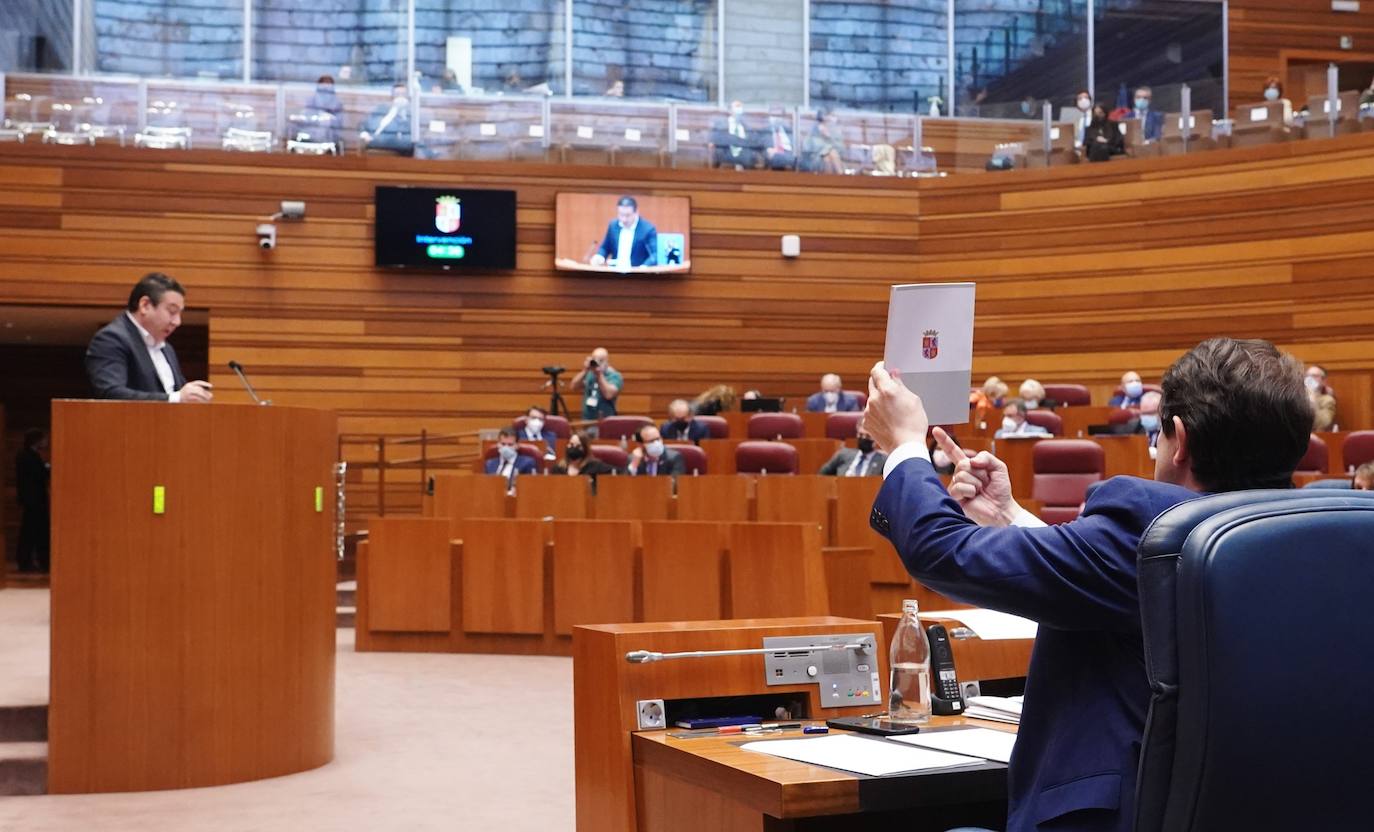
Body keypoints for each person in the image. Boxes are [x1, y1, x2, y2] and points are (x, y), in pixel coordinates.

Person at [863, 336, 1313, 832]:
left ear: (1178, 439)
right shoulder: (1311, 543)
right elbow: (1115, 585)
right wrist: (1009, 517)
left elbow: (943, 552)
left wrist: (904, 447)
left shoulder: (1153, 531)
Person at [86, 273, 213, 402]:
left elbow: (178, 393)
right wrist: (175, 398)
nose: (177, 322)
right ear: (145, 305)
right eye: (172, 312)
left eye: (179, 314)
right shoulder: (111, 339)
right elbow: (111, 393)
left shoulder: (167, 349)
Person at [15, 428, 50, 573]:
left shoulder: (26, 455)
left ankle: (30, 561)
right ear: (37, 441)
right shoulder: (29, 456)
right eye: (43, 439)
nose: (46, 441)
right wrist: (48, 467)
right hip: (34, 501)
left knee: (31, 532)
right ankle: (34, 562)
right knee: (34, 532)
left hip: (31, 500)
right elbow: (39, 475)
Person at [591, 196, 658, 269]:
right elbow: (605, 247)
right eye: (621, 215)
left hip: (637, 275)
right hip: (615, 273)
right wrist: (599, 256)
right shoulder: (613, 226)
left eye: (627, 215)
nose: (624, 219)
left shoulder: (647, 229)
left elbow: (654, 255)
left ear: (636, 212)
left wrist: (643, 268)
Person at [359, 83, 414, 156]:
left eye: (403, 94)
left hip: (400, 151)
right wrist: (364, 134)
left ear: (408, 98)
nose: (400, 97)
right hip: (376, 146)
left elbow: (407, 142)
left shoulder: (412, 114)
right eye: (397, 94)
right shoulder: (381, 109)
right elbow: (365, 125)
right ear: (392, 97)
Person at [569, 347, 622, 421]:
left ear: (607, 362)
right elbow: (573, 387)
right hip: (587, 420)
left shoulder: (614, 376)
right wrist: (584, 370)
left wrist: (599, 375)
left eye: (600, 360)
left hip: (606, 420)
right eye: (594, 359)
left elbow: (608, 395)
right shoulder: (589, 374)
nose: (597, 363)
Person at [818, 422, 886, 476]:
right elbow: (822, 474)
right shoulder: (843, 454)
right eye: (861, 435)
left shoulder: (882, 460)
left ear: (875, 438)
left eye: (867, 436)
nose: (863, 438)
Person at [710, 100, 759, 170]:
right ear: (730, 110)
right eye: (736, 107)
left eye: (740, 107)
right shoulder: (720, 124)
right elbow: (716, 140)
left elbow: (753, 141)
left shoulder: (746, 125)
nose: (738, 109)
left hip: (744, 153)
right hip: (726, 151)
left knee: (750, 156)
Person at [552, 431, 621, 479]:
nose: (573, 448)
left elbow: (618, 472)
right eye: (571, 444)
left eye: (578, 446)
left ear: (585, 448)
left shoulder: (595, 467)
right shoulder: (559, 468)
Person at [303, 75, 343, 150]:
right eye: (324, 85)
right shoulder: (311, 100)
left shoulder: (338, 103)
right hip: (312, 135)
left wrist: (329, 119)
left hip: (331, 137)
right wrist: (319, 116)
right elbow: (306, 117)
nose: (326, 88)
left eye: (329, 86)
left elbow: (339, 123)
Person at [801, 109, 845, 174]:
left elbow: (841, 149)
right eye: (829, 116)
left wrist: (829, 138)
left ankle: (837, 177)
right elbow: (808, 148)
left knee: (829, 155)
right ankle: (840, 176)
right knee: (828, 156)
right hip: (816, 158)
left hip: (832, 157)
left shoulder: (835, 131)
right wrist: (827, 148)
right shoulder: (813, 131)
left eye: (832, 116)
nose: (831, 119)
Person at [1305, 364, 1337, 431]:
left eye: (1314, 376)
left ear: (1323, 381)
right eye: (1307, 376)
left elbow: (1323, 424)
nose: (1309, 379)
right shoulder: (1297, 398)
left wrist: (1313, 402)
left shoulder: (1328, 400)